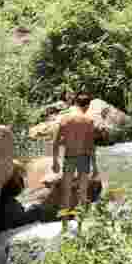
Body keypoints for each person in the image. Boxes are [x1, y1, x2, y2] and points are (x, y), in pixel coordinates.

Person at [52, 93, 99, 230]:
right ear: (87, 106)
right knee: (82, 194)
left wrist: (55, 161)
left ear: (76, 104)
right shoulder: (89, 121)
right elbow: (91, 146)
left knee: (66, 193)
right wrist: (95, 167)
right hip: (84, 158)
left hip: (69, 157)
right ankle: (80, 227)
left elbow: (55, 142)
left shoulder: (65, 119)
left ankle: (64, 227)